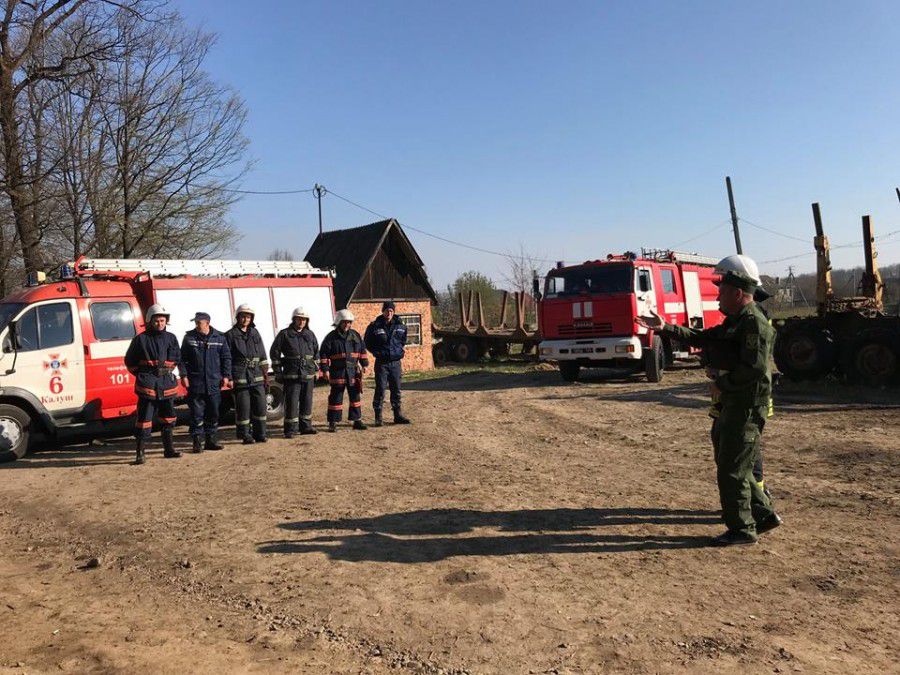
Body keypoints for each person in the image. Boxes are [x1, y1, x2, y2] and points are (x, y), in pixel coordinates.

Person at [636, 254, 782, 546]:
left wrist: (721, 384)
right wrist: (665, 326)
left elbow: (754, 369)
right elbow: (704, 338)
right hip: (734, 403)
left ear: (738, 293)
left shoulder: (753, 323)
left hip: (745, 404)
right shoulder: (736, 322)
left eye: (722, 290)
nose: (717, 296)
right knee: (733, 462)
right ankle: (763, 514)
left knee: (732, 469)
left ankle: (742, 529)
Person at [124, 304, 183, 464]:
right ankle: (140, 454)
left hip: (166, 384)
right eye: (156, 320)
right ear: (150, 321)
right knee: (144, 419)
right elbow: (130, 362)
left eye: (163, 320)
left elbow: (176, 357)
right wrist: (144, 375)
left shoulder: (171, 338)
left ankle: (169, 450)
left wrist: (164, 370)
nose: (160, 323)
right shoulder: (140, 339)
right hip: (148, 385)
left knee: (168, 418)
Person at [180, 312, 232, 452]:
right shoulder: (189, 338)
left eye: (199, 323)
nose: (196, 325)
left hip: (214, 382)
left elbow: (226, 358)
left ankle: (211, 440)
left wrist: (226, 376)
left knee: (213, 413)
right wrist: (183, 375)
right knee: (197, 414)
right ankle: (197, 442)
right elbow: (182, 359)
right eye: (195, 323)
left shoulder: (219, 338)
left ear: (207, 323)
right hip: (196, 383)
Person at [270, 306, 319, 438]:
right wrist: (278, 372)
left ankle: (306, 427)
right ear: (294, 319)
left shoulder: (310, 334)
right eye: (299, 319)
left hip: (307, 374)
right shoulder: (285, 334)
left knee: (307, 401)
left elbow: (316, 352)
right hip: (292, 375)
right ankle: (290, 430)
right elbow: (274, 352)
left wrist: (316, 369)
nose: (301, 322)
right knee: (291, 403)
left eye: (304, 319)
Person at [224, 304, 269, 444]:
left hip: (257, 375)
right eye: (243, 316)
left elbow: (262, 353)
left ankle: (260, 433)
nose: (245, 319)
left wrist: (265, 373)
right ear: (238, 317)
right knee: (243, 408)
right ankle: (245, 435)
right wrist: (229, 377)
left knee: (260, 406)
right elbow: (226, 358)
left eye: (248, 317)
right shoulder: (230, 335)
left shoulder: (255, 333)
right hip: (240, 376)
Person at [320, 309, 369, 432]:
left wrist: (364, 364)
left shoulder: (355, 335)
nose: (347, 324)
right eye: (345, 322)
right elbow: (324, 355)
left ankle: (357, 420)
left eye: (349, 322)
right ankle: (333, 422)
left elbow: (362, 351)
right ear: (339, 322)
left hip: (353, 371)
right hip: (338, 372)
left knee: (355, 396)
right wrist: (325, 370)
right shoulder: (331, 337)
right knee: (336, 397)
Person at [364, 301, 411, 426]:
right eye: (386, 310)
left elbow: (403, 340)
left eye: (391, 311)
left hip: (395, 363)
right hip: (382, 363)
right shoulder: (375, 326)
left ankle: (397, 415)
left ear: (394, 312)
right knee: (380, 389)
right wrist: (377, 353)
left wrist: (398, 351)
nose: (389, 313)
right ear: (382, 311)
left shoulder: (401, 325)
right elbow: (368, 342)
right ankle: (378, 417)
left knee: (396, 389)